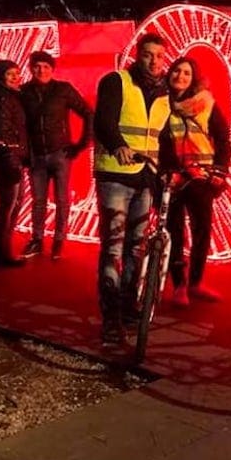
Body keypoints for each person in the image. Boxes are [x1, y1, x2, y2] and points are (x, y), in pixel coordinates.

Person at [92, 33, 171, 346]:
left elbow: (163, 137)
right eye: (148, 54)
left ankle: (128, 306)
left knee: (136, 247)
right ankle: (110, 319)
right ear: (138, 55)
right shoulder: (117, 81)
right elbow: (103, 121)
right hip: (116, 174)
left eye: (159, 56)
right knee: (113, 246)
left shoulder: (165, 93)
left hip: (146, 178)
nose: (153, 61)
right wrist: (118, 146)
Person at [162, 56, 231, 307]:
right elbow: (159, 141)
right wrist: (169, 170)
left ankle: (196, 283)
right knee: (174, 231)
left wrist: (219, 172)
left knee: (202, 231)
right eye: (177, 71)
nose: (180, 76)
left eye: (187, 73)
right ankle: (179, 285)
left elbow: (223, 140)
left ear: (194, 78)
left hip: (201, 177)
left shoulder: (206, 104)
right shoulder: (160, 103)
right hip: (174, 176)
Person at [20, 50, 93, 261]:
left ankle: (59, 241)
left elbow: (88, 112)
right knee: (38, 201)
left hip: (60, 153)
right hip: (36, 155)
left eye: (46, 67)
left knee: (62, 200)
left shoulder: (63, 89)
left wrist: (81, 144)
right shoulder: (24, 92)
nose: (41, 70)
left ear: (52, 69)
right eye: (37, 66)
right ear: (31, 68)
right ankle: (37, 240)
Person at [0, 60, 29, 268]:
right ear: (1, 76)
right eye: (10, 74)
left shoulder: (11, 95)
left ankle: (3, 251)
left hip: (13, 155)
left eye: (17, 73)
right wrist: (11, 158)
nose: (15, 77)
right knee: (8, 206)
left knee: (11, 205)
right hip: (8, 157)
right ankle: (1, 254)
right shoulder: (2, 98)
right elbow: (3, 132)